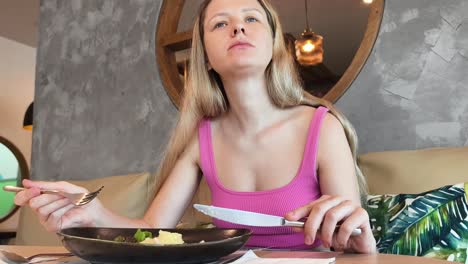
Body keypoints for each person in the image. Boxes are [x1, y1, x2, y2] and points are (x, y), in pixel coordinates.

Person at [14, 0, 376, 253]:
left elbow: (354, 242)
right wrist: (91, 215)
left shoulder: (322, 127)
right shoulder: (202, 139)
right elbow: (153, 231)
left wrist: (361, 238)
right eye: (220, 23)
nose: (237, 26)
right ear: (206, 54)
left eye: (252, 19)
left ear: (274, 44)